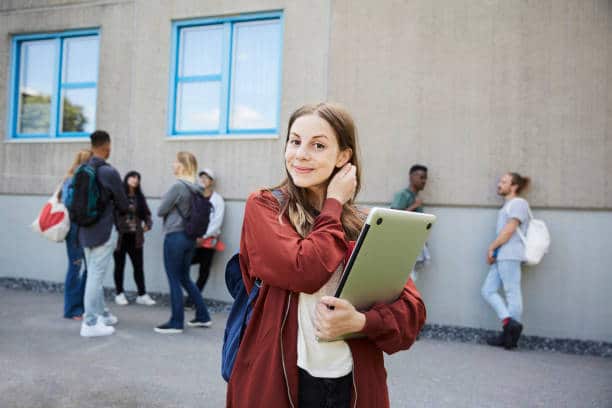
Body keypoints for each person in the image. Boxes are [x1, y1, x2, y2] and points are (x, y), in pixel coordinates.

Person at [226, 103, 426, 408]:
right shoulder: (265, 207)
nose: (301, 153)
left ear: (343, 157)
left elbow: (411, 314)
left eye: (317, 145)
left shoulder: (364, 225)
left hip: (352, 386)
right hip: (279, 383)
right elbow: (303, 271)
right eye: (295, 141)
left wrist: (361, 321)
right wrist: (334, 201)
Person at [79, 130, 129, 337]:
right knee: (95, 278)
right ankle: (90, 323)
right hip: (103, 231)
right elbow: (123, 204)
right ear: (107, 148)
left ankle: (102, 314)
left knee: (92, 274)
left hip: (84, 230)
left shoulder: (82, 169)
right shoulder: (108, 172)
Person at [155, 152, 212, 334]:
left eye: (175, 162)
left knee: (174, 277)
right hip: (190, 238)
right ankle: (203, 316)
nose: (173, 165)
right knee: (185, 277)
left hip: (175, 236)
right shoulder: (198, 187)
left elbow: (161, 210)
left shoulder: (178, 186)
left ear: (182, 166)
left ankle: (176, 322)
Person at [481, 172, 531, 350]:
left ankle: (510, 335)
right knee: (488, 290)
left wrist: (491, 247)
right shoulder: (508, 205)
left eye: (504, 181)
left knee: (512, 293)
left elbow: (509, 230)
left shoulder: (519, 203)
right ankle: (510, 325)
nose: (499, 184)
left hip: (510, 254)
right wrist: (495, 251)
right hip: (502, 255)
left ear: (514, 186)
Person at [113, 171, 156, 306]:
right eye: (132, 177)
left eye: (138, 178)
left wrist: (148, 225)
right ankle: (119, 293)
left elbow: (147, 214)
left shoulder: (139, 198)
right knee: (119, 266)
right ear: (126, 179)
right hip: (120, 237)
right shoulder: (119, 196)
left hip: (136, 237)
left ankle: (142, 294)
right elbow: (112, 214)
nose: (135, 180)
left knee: (138, 267)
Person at [185, 168, 225, 308]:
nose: (203, 180)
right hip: (193, 239)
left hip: (208, 240)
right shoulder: (194, 196)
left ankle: (192, 300)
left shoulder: (217, 199)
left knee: (204, 270)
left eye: (206, 178)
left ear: (211, 182)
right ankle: (189, 295)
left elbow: (217, 221)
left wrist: (204, 236)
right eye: (201, 177)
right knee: (184, 263)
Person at [61, 149, 92, 320]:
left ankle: (81, 306)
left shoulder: (69, 177)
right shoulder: (77, 179)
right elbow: (69, 203)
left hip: (77, 228)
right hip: (76, 227)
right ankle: (73, 309)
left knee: (81, 267)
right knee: (77, 267)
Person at [390, 165, 430, 280]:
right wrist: (414, 206)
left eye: (425, 178)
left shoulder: (416, 197)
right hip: (402, 246)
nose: (424, 181)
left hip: (414, 245)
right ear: (411, 177)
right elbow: (393, 218)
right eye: (421, 177)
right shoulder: (403, 195)